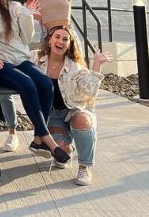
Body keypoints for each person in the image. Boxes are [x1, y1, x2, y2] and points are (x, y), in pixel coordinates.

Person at [0, 0, 71, 162]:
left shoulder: (14, 8)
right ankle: (48, 140)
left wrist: (27, 16)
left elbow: (27, 38)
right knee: (26, 83)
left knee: (45, 83)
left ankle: (37, 138)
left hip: (19, 60)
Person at [34, 26, 108, 186]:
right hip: (53, 116)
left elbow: (90, 90)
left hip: (75, 110)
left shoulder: (75, 66)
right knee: (59, 151)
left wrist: (97, 65)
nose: (60, 41)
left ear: (69, 44)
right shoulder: (36, 60)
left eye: (65, 39)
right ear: (49, 40)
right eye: (57, 37)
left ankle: (84, 167)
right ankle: (67, 149)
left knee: (82, 121)